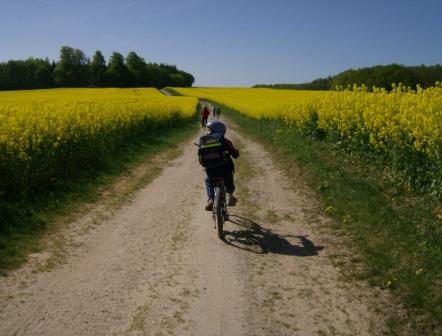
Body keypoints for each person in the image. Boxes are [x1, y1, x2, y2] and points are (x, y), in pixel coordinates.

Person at [197, 120, 239, 211]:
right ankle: (231, 197)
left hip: (210, 170)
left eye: (209, 129)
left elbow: (200, 159)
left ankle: (211, 200)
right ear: (222, 130)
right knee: (228, 179)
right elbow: (235, 154)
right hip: (224, 168)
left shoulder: (203, 140)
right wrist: (236, 153)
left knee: (209, 182)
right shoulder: (224, 140)